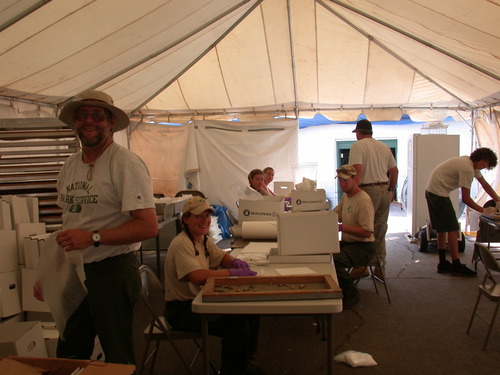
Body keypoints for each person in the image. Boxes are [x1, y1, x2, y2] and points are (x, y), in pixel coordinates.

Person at [34, 89, 158, 364]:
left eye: (97, 115)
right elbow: (71, 223)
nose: (89, 121)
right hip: (74, 271)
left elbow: (148, 227)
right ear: (74, 122)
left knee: (117, 356)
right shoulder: (70, 165)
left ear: (111, 123)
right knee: (69, 352)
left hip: (111, 271)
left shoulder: (124, 163)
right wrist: (51, 273)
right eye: (82, 115)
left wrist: (93, 237)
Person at [164, 196, 262, 375]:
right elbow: (197, 276)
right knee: (237, 325)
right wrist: (233, 273)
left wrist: (233, 262)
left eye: (207, 216)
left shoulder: (203, 239)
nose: (205, 221)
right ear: (185, 219)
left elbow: (221, 256)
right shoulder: (182, 244)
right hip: (183, 310)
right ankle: (232, 371)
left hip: (201, 299)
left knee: (252, 310)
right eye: (198, 216)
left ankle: (244, 362)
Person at [425, 147, 500, 276]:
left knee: (442, 229)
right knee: (453, 230)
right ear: (480, 158)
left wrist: (497, 200)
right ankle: (456, 265)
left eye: (485, 167)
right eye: (483, 165)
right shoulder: (467, 169)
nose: (482, 168)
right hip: (438, 194)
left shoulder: (469, 163)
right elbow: (466, 198)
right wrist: (484, 211)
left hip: (432, 192)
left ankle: (442, 263)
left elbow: (485, 184)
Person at [348, 119, 398, 278]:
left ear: (358, 132)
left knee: (361, 228)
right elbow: (394, 171)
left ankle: (361, 266)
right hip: (384, 189)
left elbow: (358, 170)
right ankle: (380, 267)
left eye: (356, 133)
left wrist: (352, 193)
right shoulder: (383, 146)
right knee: (380, 229)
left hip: (367, 191)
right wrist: (391, 189)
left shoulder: (358, 146)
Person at [333, 165, 375, 309]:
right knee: (324, 253)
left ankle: (351, 295)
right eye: (340, 181)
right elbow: (334, 215)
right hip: (348, 243)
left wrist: (341, 227)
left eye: (345, 180)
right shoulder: (346, 197)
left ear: (355, 179)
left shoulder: (363, 200)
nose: (342, 184)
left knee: (335, 261)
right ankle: (335, 289)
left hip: (363, 247)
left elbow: (367, 232)